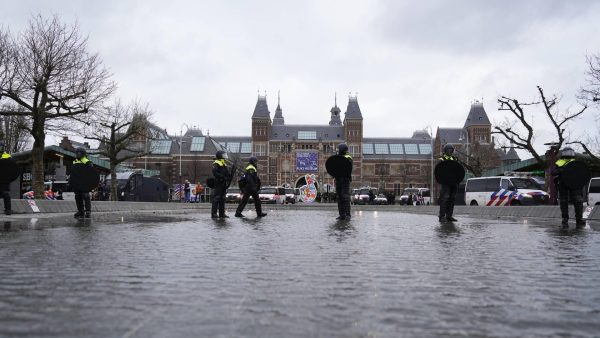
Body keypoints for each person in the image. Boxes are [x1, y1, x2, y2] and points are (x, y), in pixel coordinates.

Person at [552, 147, 585, 227]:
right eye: (567, 152)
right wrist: (562, 169)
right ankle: (565, 219)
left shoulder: (575, 162)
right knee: (563, 201)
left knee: (578, 201)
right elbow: (553, 172)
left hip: (575, 184)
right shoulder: (559, 162)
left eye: (570, 152)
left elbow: (582, 172)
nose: (569, 154)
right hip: (563, 183)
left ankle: (579, 219)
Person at [438, 144, 459, 222]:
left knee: (452, 199)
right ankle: (441, 216)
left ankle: (449, 216)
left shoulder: (454, 159)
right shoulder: (441, 159)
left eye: (451, 150)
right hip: (445, 182)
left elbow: (458, 170)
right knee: (445, 198)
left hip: (454, 182)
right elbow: (438, 171)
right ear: (445, 151)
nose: (450, 151)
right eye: (448, 150)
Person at [334, 143, 353, 220]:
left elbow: (348, 168)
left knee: (345, 196)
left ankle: (348, 215)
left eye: (338, 149)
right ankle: (342, 215)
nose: (337, 151)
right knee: (339, 197)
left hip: (345, 179)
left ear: (342, 149)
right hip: (338, 179)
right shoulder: (338, 157)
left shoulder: (348, 157)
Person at [73, 147, 93, 218]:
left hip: (84, 182)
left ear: (83, 154)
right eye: (77, 153)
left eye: (79, 153)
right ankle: (80, 211)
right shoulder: (75, 161)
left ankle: (88, 211)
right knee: (77, 196)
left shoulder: (86, 161)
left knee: (86, 195)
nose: (78, 154)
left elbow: (91, 171)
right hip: (77, 182)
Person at [211, 150, 230, 218]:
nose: (225, 156)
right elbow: (215, 172)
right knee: (217, 198)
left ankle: (222, 213)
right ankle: (214, 214)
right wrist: (222, 177)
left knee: (222, 198)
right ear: (220, 155)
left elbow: (226, 173)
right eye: (223, 155)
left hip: (223, 183)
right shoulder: (216, 163)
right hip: (218, 182)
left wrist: (228, 176)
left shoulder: (224, 163)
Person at [0, 141, 12, 215]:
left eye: (1, 146)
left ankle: (8, 210)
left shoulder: (7, 155)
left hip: (4, 179)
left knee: (5, 194)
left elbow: (11, 167)